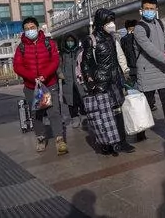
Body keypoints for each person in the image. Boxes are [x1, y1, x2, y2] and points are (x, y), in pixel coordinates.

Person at [81, 9, 135, 155]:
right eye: (108, 22)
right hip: (100, 83)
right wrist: (89, 80)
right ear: (100, 22)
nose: (111, 24)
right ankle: (106, 143)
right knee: (103, 114)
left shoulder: (112, 38)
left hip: (115, 80)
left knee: (118, 112)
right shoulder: (90, 40)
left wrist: (123, 74)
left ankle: (122, 142)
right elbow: (85, 63)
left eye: (112, 21)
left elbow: (117, 58)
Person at [13, 17, 68, 155]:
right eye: (26, 29)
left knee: (53, 111)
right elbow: (17, 66)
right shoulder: (21, 47)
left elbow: (55, 60)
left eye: (32, 28)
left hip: (49, 83)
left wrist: (45, 74)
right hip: (31, 86)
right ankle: (41, 138)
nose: (29, 31)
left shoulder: (49, 43)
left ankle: (59, 139)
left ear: (37, 28)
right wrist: (33, 77)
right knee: (36, 113)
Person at [133, 0, 165, 145]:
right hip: (147, 72)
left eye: (152, 9)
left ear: (156, 10)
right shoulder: (139, 28)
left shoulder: (159, 23)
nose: (150, 11)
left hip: (162, 71)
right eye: (147, 9)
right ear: (141, 10)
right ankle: (139, 130)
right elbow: (150, 50)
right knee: (146, 104)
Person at [58, 34, 85, 128]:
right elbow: (58, 66)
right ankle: (75, 118)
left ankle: (84, 117)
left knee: (82, 99)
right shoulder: (62, 54)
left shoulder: (80, 51)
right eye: (68, 41)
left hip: (79, 80)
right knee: (71, 101)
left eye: (72, 41)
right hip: (67, 82)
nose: (70, 43)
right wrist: (60, 73)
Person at [120, 19, 139, 86]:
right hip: (140, 67)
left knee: (133, 91)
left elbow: (122, 54)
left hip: (130, 68)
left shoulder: (123, 39)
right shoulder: (139, 37)